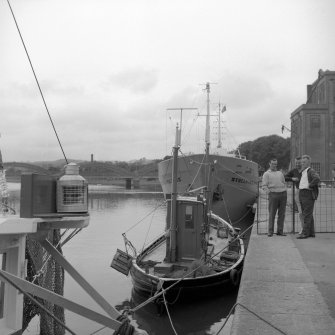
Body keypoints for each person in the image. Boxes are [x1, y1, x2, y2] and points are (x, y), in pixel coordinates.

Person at [297, 154, 320, 239]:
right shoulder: (304, 171)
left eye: (305, 162)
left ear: (309, 162)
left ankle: (305, 233)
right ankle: (311, 232)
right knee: (308, 214)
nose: (302, 163)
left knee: (306, 214)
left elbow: (317, 178)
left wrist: (310, 185)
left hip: (307, 194)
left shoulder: (310, 170)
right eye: (302, 162)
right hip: (302, 193)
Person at [262, 158, 287, 237]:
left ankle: (280, 231)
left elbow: (283, 182)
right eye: (273, 164)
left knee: (282, 214)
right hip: (273, 195)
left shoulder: (280, 173)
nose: (274, 165)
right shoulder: (266, 174)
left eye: (275, 164)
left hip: (283, 194)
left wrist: (284, 190)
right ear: (269, 164)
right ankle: (270, 231)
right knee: (272, 214)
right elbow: (264, 186)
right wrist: (270, 193)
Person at [285, 157, 303, 231]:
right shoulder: (294, 171)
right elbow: (285, 177)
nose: (297, 164)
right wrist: (292, 179)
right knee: (301, 212)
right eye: (296, 163)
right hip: (298, 192)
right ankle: (303, 228)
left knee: (307, 212)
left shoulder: (306, 170)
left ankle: (308, 228)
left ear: (302, 162)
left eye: (299, 163)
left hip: (307, 192)